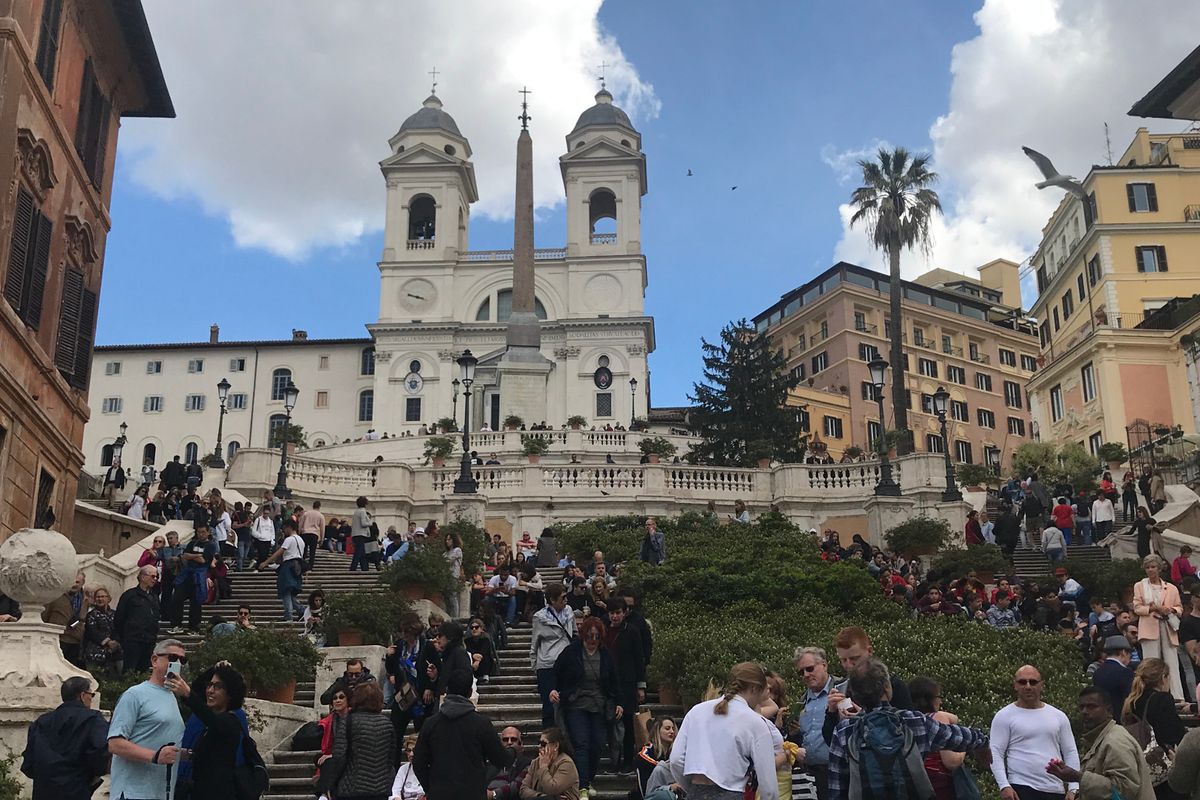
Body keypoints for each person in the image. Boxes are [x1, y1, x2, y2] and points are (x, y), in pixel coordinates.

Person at [827, 657, 990, 800]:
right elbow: (959, 737)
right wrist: (982, 742)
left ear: (854, 692)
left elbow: (837, 790)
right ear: (887, 688)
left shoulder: (844, 731)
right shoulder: (913, 721)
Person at [670, 662, 779, 800]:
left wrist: (689, 788)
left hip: (696, 791)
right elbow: (769, 788)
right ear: (754, 688)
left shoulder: (696, 711)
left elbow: (675, 760)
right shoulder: (755, 722)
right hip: (730, 792)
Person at [550, 616, 622, 797]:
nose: (593, 641)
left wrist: (619, 702)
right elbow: (556, 672)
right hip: (576, 704)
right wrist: (554, 690)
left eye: (597, 637)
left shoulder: (606, 655)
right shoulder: (571, 652)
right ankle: (582, 786)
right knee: (581, 743)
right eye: (590, 636)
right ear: (583, 636)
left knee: (597, 744)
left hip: (599, 705)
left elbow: (614, 681)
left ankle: (587, 779)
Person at [412, 670, 513, 800]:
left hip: (440, 792)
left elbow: (418, 762)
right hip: (472, 793)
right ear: (470, 692)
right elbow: (500, 759)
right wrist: (513, 751)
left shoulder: (431, 724)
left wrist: (431, 788)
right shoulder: (481, 723)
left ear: (447, 691)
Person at [106, 639, 188, 800]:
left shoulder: (172, 696)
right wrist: (155, 755)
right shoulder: (134, 694)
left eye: (182, 660)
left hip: (161, 792)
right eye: (172, 657)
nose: (177, 663)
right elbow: (114, 743)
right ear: (154, 660)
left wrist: (181, 754)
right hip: (133, 792)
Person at [1044, 687, 1153, 800]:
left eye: (1092, 706)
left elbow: (1123, 789)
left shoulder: (1115, 741)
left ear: (1109, 711)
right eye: (1082, 707)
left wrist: (1078, 777)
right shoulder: (1101, 740)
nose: (1085, 712)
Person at [989, 664, 1079, 800]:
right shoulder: (1004, 716)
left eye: (1033, 682)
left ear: (1041, 685)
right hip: (1020, 788)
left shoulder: (1058, 716)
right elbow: (995, 751)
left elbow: (1070, 751)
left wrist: (1073, 788)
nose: (1028, 686)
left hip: (1055, 788)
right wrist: (1004, 785)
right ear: (1015, 685)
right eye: (1022, 682)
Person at [168, 661, 251, 799]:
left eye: (218, 687)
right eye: (209, 685)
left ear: (230, 693)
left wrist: (188, 694)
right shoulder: (209, 723)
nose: (210, 690)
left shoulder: (231, 721)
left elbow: (209, 717)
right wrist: (215, 668)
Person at [21, 676, 108, 800]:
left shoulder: (42, 722)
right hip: (77, 788)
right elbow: (101, 751)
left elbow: (29, 761)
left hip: (44, 790)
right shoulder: (92, 719)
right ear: (82, 696)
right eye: (91, 695)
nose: (91, 699)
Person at [1122, 658, 1187, 798]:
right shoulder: (1163, 699)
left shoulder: (1133, 700)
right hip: (1163, 762)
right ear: (1163, 678)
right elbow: (1173, 731)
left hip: (1143, 763)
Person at [909, 676, 977, 800]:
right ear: (929, 699)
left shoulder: (908, 721)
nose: (941, 702)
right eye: (938, 697)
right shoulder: (937, 717)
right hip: (939, 788)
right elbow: (952, 761)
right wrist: (963, 748)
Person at [329, 681, 396, 800]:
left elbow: (339, 756)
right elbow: (391, 758)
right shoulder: (387, 724)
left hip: (351, 788)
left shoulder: (348, 721)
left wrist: (332, 783)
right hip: (380, 790)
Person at [1134, 555, 1185, 700]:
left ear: (1159, 568)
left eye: (1153, 567)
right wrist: (1153, 609)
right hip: (1149, 626)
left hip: (1168, 626)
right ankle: (1149, 696)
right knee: (1150, 663)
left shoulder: (1171, 588)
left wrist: (1170, 610)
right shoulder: (1139, 586)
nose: (1150, 570)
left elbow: (1179, 608)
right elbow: (1137, 608)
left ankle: (1177, 697)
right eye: (1148, 567)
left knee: (1172, 663)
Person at [605, 598, 646, 773]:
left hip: (627, 682)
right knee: (610, 722)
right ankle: (614, 760)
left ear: (624, 613)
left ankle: (628, 760)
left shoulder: (632, 631)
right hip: (608, 683)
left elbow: (639, 658)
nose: (615, 616)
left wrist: (641, 685)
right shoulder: (604, 630)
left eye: (618, 613)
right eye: (612, 613)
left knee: (628, 723)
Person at [532, 583, 576, 728]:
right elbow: (535, 643)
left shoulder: (569, 612)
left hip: (567, 662)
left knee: (569, 702)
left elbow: (574, 633)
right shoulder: (540, 617)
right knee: (549, 704)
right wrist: (535, 665)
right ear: (552, 599)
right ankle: (550, 738)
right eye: (562, 597)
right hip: (547, 663)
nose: (565, 600)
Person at [167, 525, 216, 635]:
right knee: (176, 598)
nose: (201, 534)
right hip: (186, 574)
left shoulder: (211, 545)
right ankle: (176, 625)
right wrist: (197, 555)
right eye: (199, 532)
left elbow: (203, 560)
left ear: (208, 532)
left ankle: (194, 627)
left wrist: (192, 556)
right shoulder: (192, 543)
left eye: (203, 532)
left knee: (196, 603)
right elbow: (185, 556)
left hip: (199, 576)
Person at [114, 566, 161, 674]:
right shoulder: (130, 595)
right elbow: (119, 618)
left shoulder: (154, 597)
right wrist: (125, 636)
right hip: (133, 640)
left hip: (149, 640)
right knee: (129, 671)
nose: (155, 579)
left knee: (143, 672)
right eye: (153, 576)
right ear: (143, 577)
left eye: (156, 576)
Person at [521, 727, 580, 800]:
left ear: (556, 745)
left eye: (543, 744)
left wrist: (543, 767)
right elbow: (523, 790)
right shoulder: (535, 762)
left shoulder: (566, 764)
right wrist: (541, 796)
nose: (539, 747)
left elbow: (552, 789)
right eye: (539, 743)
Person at [43, 571, 87, 666]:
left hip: (75, 640)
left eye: (77, 582)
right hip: (57, 638)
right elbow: (45, 614)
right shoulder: (55, 595)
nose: (74, 584)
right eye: (71, 581)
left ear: (82, 583)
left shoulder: (85, 599)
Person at [1092, 636, 1136, 719]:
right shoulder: (1125, 672)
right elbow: (1131, 699)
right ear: (1123, 652)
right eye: (1130, 654)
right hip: (1122, 720)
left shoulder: (1098, 672)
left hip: (1104, 719)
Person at [636, 716, 677, 799]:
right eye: (667, 728)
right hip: (651, 794)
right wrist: (666, 766)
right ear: (657, 731)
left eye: (673, 729)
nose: (672, 731)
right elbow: (641, 757)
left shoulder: (674, 751)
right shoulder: (648, 749)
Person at [83, 586, 121, 674]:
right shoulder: (91, 614)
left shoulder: (115, 614)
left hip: (113, 654)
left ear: (108, 598)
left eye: (103, 596)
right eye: (98, 597)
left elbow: (119, 629)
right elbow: (92, 631)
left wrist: (115, 642)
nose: (100, 599)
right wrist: (107, 642)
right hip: (94, 653)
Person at [488, 726, 531, 800]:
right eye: (505, 739)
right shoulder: (491, 763)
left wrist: (493, 794)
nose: (509, 742)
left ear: (521, 744)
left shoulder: (527, 764)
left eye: (513, 739)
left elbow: (517, 786)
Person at [390, 734, 425, 800]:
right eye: (409, 750)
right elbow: (395, 792)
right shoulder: (403, 769)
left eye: (414, 750)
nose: (411, 754)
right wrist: (396, 798)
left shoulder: (430, 769)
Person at [466, 616, 499, 683]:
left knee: (485, 655)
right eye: (472, 628)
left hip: (485, 664)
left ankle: (485, 675)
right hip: (473, 664)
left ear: (481, 629)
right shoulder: (467, 641)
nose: (474, 629)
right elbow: (469, 650)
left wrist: (477, 661)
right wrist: (473, 655)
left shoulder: (486, 639)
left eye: (476, 627)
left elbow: (483, 651)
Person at [299, 500, 325, 573]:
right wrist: (322, 539)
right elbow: (322, 528)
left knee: (303, 551)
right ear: (319, 507)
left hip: (305, 533)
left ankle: (302, 566)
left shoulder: (306, 513)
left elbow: (300, 523)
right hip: (314, 534)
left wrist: (299, 532)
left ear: (313, 506)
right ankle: (310, 568)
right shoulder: (321, 515)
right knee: (312, 552)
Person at [444, 532, 464, 618]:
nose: (447, 541)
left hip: (453, 576)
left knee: (453, 597)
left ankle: (455, 617)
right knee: (447, 598)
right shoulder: (446, 553)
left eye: (449, 539)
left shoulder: (457, 550)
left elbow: (448, 561)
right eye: (446, 539)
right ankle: (448, 616)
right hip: (445, 576)